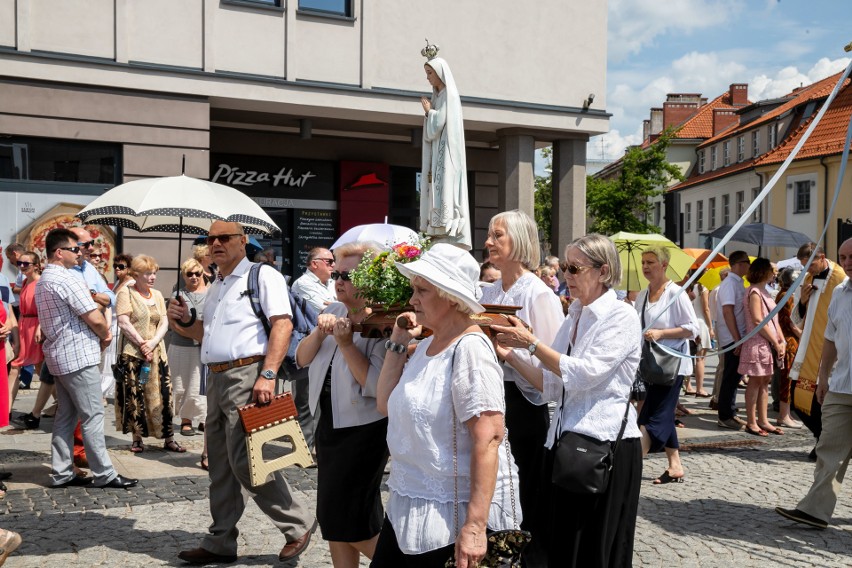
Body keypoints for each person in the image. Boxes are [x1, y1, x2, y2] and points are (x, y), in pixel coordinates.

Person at [168, 220, 317, 565]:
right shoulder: (217, 283)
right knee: (219, 463)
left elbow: (283, 323)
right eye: (211, 239)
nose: (216, 244)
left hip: (247, 374)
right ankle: (220, 540)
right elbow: (203, 334)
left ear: (242, 240)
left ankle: (297, 522)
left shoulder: (261, 275)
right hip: (217, 377)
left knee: (245, 459)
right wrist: (185, 320)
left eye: (225, 238)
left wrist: (267, 373)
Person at [491, 234, 643, 568]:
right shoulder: (574, 314)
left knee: (595, 549)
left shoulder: (621, 316)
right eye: (564, 268)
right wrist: (512, 356)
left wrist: (531, 343)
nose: (566, 276)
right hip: (564, 443)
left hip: (603, 446)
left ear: (603, 272)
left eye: (574, 268)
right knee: (558, 546)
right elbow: (552, 385)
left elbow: (585, 373)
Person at [371, 243, 520, 567]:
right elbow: (385, 403)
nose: (412, 299)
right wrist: (398, 340)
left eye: (421, 290)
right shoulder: (425, 345)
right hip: (408, 505)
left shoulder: (470, 350)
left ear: (451, 296)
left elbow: (490, 436)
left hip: (451, 517)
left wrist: (476, 528)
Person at [295, 242, 389, 568]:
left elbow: (377, 386)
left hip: (364, 431)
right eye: (336, 273)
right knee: (335, 519)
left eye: (347, 275)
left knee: (350, 517)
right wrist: (320, 335)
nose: (339, 280)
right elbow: (301, 359)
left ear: (370, 278)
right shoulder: (333, 311)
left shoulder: (381, 321)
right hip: (329, 426)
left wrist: (347, 344)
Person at [479, 210, 564, 554]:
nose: (489, 241)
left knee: (525, 501)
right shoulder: (490, 290)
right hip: (493, 398)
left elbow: (554, 374)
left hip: (524, 410)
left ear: (520, 241)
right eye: (489, 235)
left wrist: (509, 355)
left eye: (498, 235)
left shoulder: (538, 294)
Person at [35, 228, 136, 489]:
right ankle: (104, 474)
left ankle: (61, 472)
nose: (79, 252)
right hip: (78, 355)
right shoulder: (67, 279)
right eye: (74, 248)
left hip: (59, 356)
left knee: (65, 417)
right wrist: (104, 335)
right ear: (60, 253)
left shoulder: (44, 278)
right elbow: (92, 315)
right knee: (92, 415)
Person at [775, 238, 852, 529]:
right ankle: (815, 512)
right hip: (841, 385)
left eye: (851, 256)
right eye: (843, 256)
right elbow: (829, 338)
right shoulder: (841, 292)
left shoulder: (838, 281)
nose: (847, 262)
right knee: (828, 449)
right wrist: (822, 377)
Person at [635, 247, 698, 484]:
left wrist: (662, 333)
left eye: (651, 262)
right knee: (663, 414)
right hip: (651, 366)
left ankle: (631, 466)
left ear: (664, 265)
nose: (646, 266)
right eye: (643, 262)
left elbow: (693, 329)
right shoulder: (642, 295)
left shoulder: (676, 293)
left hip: (672, 366)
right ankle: (675, 465)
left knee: (651, 419)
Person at [114, 254, 183, 454]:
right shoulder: (126, 293)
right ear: (136, 275)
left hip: (157, 352)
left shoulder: (158, 295)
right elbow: (124, 322)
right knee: (135, 396)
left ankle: (168, 437)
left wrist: (152, 343)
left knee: (163, 396)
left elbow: (164, 321)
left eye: (154, 273)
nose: (152, 277)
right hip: (133, 353)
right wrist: (142, 344)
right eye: (147, 274)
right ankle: (137, 438)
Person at [790, 242, 846, 456]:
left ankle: (826, 443)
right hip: (809, 346)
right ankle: (824, 438)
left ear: (822, 257)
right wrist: (803, 301)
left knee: (825, 401)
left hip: (833, 349)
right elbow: (797, 316)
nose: (807, 270)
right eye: (804, 266)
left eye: (809, 265)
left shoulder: (840, 278)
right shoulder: (807, 279)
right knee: (798, 399)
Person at [420, 50, 472, 250]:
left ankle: (445, 224)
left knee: (446, 188)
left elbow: (438, 122)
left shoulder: (448, 95)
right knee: (437, 187)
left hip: (447, 153)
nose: (428, 77)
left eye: (430, 73)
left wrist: (428, 111)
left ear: (440, 73)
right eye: (426, 73)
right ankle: (437, 227)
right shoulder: (439, 95)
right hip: (439, 151)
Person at [289, 246, 336, 450]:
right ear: (314, 263)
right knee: (306, 399)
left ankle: (316, 446)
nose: (333, 265)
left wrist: (335, 305)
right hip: (309, 345)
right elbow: (326, 311)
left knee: (325, 399)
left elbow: (338, 307)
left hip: (331, 347)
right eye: (329, 261)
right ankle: (303, 449)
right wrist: (336, 305)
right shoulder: (303, 283)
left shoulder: (333, 283)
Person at [737, 258, 786, 437]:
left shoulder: (764, 291)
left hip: (767, 342)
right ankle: (751, 421)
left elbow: (774, 319)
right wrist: (775, 341)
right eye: (772, 269)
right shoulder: (755, 292)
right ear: (763, 271)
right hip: (758, 342)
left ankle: (763, 420)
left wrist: (780, 340)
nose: (775, 273)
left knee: (765, 381)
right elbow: (758, 320)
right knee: (756, 381)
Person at [168, 259, 208, 438]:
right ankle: (186, 420)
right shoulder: (178, 294)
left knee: (200, 386)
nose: (193, 277)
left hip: (203, 346)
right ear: (183, 275)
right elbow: (173, 322)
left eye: (197, 273)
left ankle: (203, 419)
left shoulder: (211, 292)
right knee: (182, 385)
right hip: (181, 345)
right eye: (189, 274)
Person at [716, 251, 751, 429]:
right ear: (738, 263)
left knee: (734, 376)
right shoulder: (730, 283)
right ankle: (725, 415)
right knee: (730, 377)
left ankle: (729, 411)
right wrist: (737, 339)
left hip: (736, 336)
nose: (748, 265)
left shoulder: (737, 282)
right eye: (746, 262)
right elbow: (727, 311)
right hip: (732, 337)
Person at [8, 252, 44, 412]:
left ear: (36, 265)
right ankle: (6, 409)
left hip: (36, 326)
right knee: (15, 366)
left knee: (40, 367)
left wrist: (39, 327)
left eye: (26, 264)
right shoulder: (24, 282)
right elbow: (21, 310)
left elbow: (45, 309)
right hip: (24, 325)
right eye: (19, 263)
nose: (21, 266)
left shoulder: (41, 283)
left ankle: (61, 404)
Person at [99, 253, 134, 399]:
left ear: (129, 268)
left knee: (114, 359)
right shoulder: (117, 284)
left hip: (121, 325)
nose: (117, 269)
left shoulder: (131, 284)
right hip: (111, 324)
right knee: (108, 359)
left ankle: (109, 391)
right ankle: (107, 391)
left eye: (121, 266)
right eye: (115, 266)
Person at [775, 267, 803, 428]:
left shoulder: (782, 294)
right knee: (787, 378)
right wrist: (802, 335)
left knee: (787, 377)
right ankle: (784, 415)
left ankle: (786, 414)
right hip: (789, 341)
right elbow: (790, 322)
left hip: (787, 339)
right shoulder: (787, 296)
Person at [684, 280, 712, 397]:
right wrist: (710, 327)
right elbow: (706, 309)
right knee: (700, 358)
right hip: (701, 323)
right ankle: (700, 388)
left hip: (690, 323)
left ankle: (688, 385)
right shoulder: (702, 287)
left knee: (688, 356)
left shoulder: (688, 287)